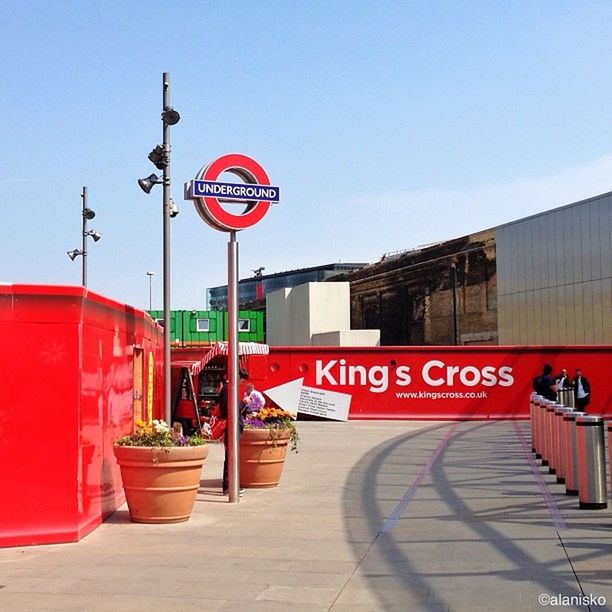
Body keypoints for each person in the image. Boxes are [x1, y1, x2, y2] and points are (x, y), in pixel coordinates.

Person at [220, 368, 249, 495]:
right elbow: (230, 409)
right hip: (231, 427)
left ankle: (230, 484)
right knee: (230, 456)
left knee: (231, 456)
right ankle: (228, 486)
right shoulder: (228, 389)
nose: (242, 383)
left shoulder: (228, 388)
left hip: (233, 426)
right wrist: (243, 403)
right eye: (242, 381)